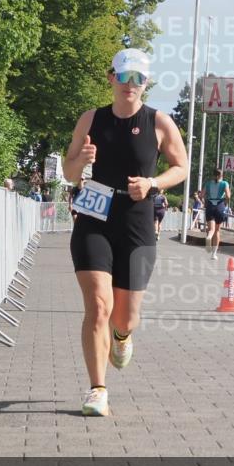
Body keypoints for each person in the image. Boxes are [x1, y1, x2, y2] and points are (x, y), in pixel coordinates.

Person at [63, 48, 188, 416]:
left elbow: (181, 167)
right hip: (94, 217)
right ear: (111, 78)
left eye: (139, 78)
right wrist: (81, 162)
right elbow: (70, 172)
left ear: (146, 83)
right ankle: (97, 389)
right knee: (99, 306)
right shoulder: (91, 119)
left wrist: (152, 183)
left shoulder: (159, 123)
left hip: (136, 220)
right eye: (124, 77)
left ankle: (122, 336)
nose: (130, 85)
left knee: (124, 317)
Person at [202, 169, 231, 260]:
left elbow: (202, 195)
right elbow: (228, 196)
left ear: (213, 175)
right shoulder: (224, 183)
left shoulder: (208, 183)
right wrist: (225, 202)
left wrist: (205, 202)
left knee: (211, 229)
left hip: (210, 205)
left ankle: (209, 237)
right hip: (219, 206)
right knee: (217, 231)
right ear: (221, 175)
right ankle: (214, 254)